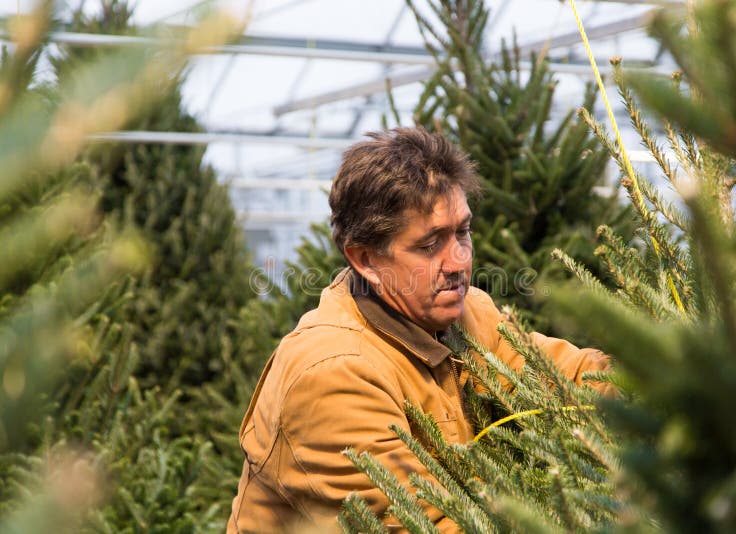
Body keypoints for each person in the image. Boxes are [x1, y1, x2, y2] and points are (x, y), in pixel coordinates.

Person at [227, 127, 612, 533]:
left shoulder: (468, 314)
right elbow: (436, 523)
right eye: (430, 245)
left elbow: (564, 376)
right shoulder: (333, 375)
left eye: (462, 232)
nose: (459, 261)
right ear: (365, 259)